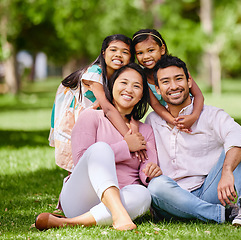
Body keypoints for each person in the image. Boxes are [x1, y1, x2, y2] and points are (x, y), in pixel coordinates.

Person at [35, 63, 162, 231]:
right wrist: (125, 147)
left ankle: (69, 222)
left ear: (141, 96)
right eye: (123, 83)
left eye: (136, 86)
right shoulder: (91, 117)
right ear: (111, 86)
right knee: (100, 149)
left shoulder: (145, 130)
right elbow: (82, 160)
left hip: (123, 197)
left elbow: (147, 167)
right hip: (81, 197)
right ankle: (117, 213)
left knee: (143, 195)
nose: (129, 89)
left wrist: (151, 170)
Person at [145, 55, 241, 227]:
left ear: (189, 81)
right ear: (157, 88)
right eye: (165, 82)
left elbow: (238, 136)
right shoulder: (152, 120)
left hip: (211, 190)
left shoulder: (210, 115)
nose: (173, 86)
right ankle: (226, 213)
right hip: (173, 196)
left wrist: (227, 170)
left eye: (179, 79)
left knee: (238, 144)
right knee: (156, 186)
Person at [49, 34, 146, 173]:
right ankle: (72, 185)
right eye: (113, 50)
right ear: (103, 53)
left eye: (125, 52)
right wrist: (128, 138)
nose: (118, 55)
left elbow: (129, 110)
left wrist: (134, 130)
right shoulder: (95, 72)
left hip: (93, 111)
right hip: (73, 111)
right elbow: (107, 108)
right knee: (77, 154)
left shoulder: (121, 77)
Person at [132, 29, 204, 133]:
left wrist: (193, 116)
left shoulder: (175, 67)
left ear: (162, 49)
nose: (146, 56)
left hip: (189, 111)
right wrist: (175, 122)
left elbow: (198, 95)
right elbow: (156, 105)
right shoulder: (142, 76)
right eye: (140, 53)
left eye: (151, 50)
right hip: (168, 117)